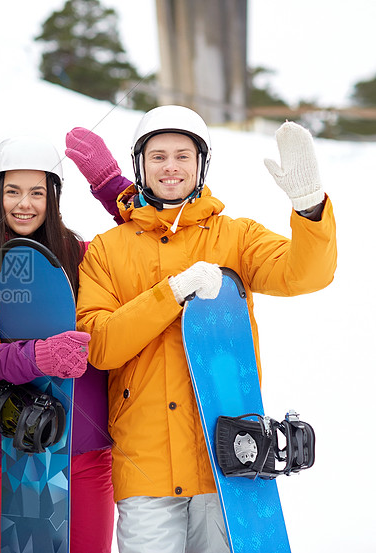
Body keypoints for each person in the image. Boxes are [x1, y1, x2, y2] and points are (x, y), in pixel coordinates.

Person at [75, 106, 337, 553]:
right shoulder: (107, 250)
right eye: (157, 156)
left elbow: (305, 274)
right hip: (145, 469)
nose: (170, 167)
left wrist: (310, 208)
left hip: (225, 461)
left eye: (183, 155)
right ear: (139, 166)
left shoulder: (234, 237)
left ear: (201, 164)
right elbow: (99, 346)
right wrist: (170, 293)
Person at [0, 135, 127, 552]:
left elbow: (147, 239)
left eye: (37, 192)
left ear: (54, 197)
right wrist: (40, 356)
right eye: (12, 191)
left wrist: (113, 188)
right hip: (14, 447)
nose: (24, 204)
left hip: (85, 450)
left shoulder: (87, 255)